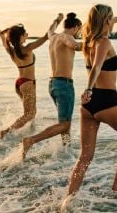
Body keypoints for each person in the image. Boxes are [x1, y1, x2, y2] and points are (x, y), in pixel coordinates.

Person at [66, 4, 117, 196]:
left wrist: (111, 21)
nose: (114, 20)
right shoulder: (104, 42)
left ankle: (68, 199)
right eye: (112, 18)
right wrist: (88, 88)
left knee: (85, 157)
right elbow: (97, 67)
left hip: (88, 106)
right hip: (107, 101)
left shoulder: (89, 42)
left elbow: (96, 62)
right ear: (106, 21)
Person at [0, 14, 62, 139]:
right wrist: (57, 21)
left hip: (20, 83)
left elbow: (2, 37)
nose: (27, 34)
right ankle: (6, 132)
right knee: (30, 114)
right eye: (25, 33)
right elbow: (46, 36)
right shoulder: (26, 49)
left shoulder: (11, 50)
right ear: (20, 37)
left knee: (30, 113)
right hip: (27, 83)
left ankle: (25, 132)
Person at [22, 12, 82, 158]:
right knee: (65, 125)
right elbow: (76, 46)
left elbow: (50, 29)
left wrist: (57, 20)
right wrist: (95, 40)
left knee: (64, 122)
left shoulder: (53, 36)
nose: (80, 33)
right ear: (75, 27)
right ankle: (31, 140)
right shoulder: (66, 37)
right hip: (64, 85)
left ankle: (66, 150)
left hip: (53, 84)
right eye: (80, 30)